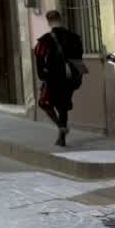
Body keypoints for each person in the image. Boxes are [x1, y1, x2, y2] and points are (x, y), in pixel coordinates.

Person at [33, 10, 84, 147]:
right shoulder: (74, 38)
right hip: (69, 77)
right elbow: (79, 58)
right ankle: (61, 137)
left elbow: (39, 59)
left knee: (44, 103)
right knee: (63, 106)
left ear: (49, 22)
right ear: (61, 19)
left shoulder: (45, 40)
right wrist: (78, 77)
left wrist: (42, 77)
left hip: (53, 78)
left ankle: (61, 127)